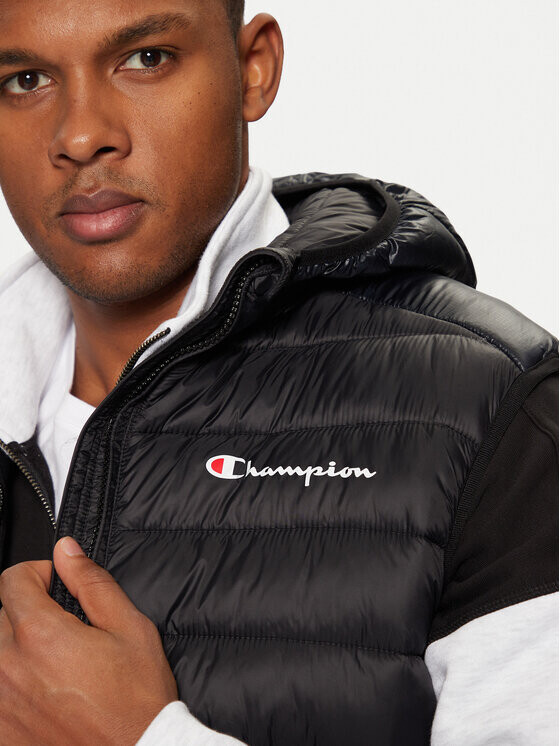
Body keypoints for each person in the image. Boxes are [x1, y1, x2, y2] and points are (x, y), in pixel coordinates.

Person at [0, 0, 556, 744]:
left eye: (146, 59)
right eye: (26, 79)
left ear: (252, 69)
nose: (80, 136)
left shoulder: (496, 406)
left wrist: (143, 739)